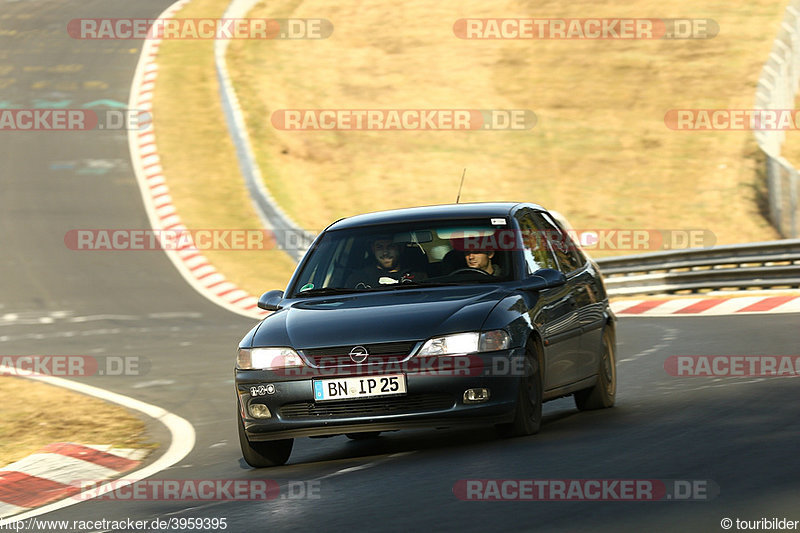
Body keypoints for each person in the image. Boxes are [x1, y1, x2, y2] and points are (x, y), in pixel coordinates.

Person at [346, 236, 426, 288]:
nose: (385, 253)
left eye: (391, 246)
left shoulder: (418, 277)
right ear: (373, 250)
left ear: (400, 248)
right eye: (379, 247)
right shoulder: (358, 279)